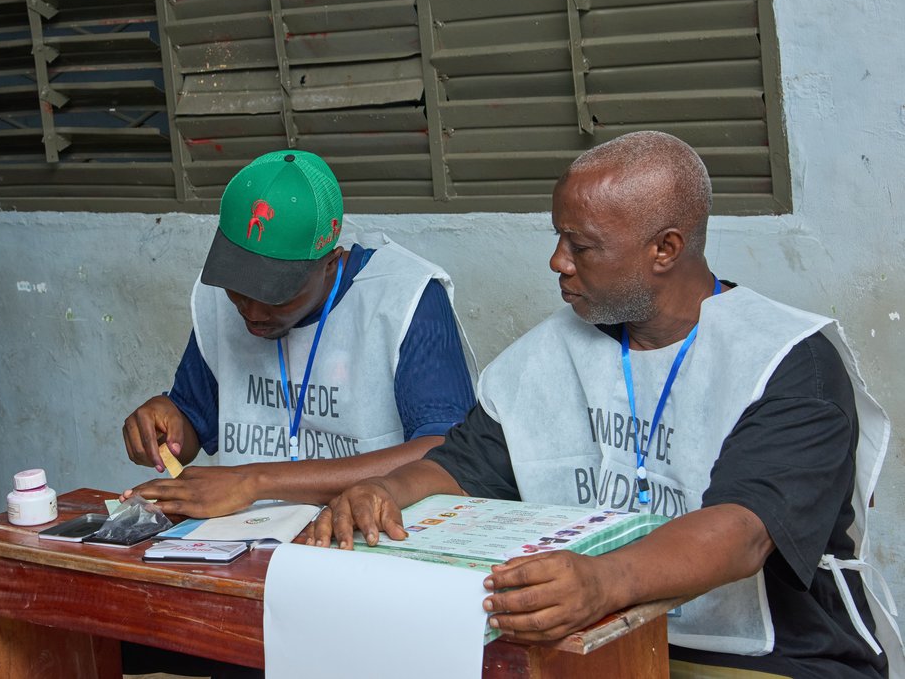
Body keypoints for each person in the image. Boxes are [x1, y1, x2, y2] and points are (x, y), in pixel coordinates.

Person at [309, 131, 899, 678]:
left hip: (768, 657)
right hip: (588, 641)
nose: (557, 262)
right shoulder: (545, 354)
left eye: (581, 245)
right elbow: (464, 467)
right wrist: (385, 492)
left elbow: (743, 531)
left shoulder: (786, 361)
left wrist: (602, 581)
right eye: (558, 237)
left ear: (665, 249)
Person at [121, 149, 476, 519]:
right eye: (239, 291)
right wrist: (168, 425)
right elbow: (193, 425)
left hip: (368, 538)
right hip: (245, 539)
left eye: (277, 294)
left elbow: (443, 451)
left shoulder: (402, 298)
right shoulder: (218, 297)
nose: (253, 312)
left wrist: (253, 481)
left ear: (331, 262)